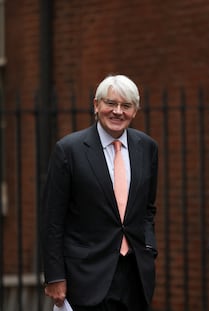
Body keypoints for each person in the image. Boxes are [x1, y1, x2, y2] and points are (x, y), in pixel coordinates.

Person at [42, 74, 158, 311]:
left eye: (126, 106)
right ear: (96, 105)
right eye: (111, 103)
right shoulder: (69, 150)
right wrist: (55, 276)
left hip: (135, 274)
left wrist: (149, 247)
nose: (117, 111)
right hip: (86, 276)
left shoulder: (147, 147)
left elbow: (148, 208)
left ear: (135, 111)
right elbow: (52, 220)